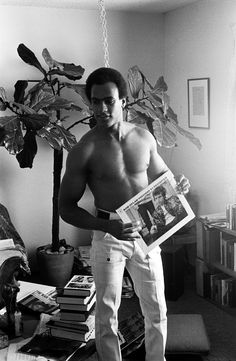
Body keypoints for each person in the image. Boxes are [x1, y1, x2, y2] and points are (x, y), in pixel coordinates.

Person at [59, 67, 190, 361]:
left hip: (146, 231)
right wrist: (107, 228)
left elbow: (164, 179)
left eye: (109, 100)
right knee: (107, 314)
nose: (101, 108)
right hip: (109, 233)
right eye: (95, 101)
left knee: (156, 308)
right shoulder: (84, 150)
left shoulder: (144, 138)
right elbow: (65, 207)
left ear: (123, 102)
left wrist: (179, 183)